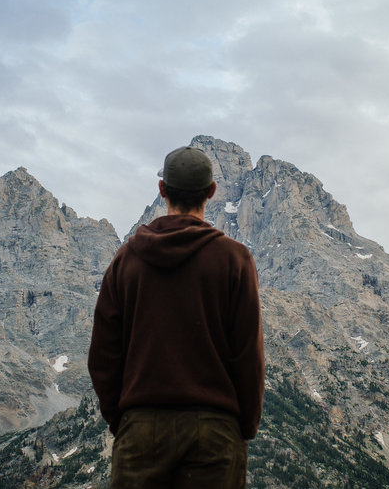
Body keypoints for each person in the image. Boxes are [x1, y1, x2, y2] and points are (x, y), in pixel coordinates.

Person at [87, 145, 265, 489]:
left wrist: (124, 420)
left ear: (162, 190)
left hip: (141, 431)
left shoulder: (126, 261)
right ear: (212, 192)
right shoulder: (235, 259)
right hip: (216, 432)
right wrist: (243, 427)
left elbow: (103, 356)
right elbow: (248, 355)